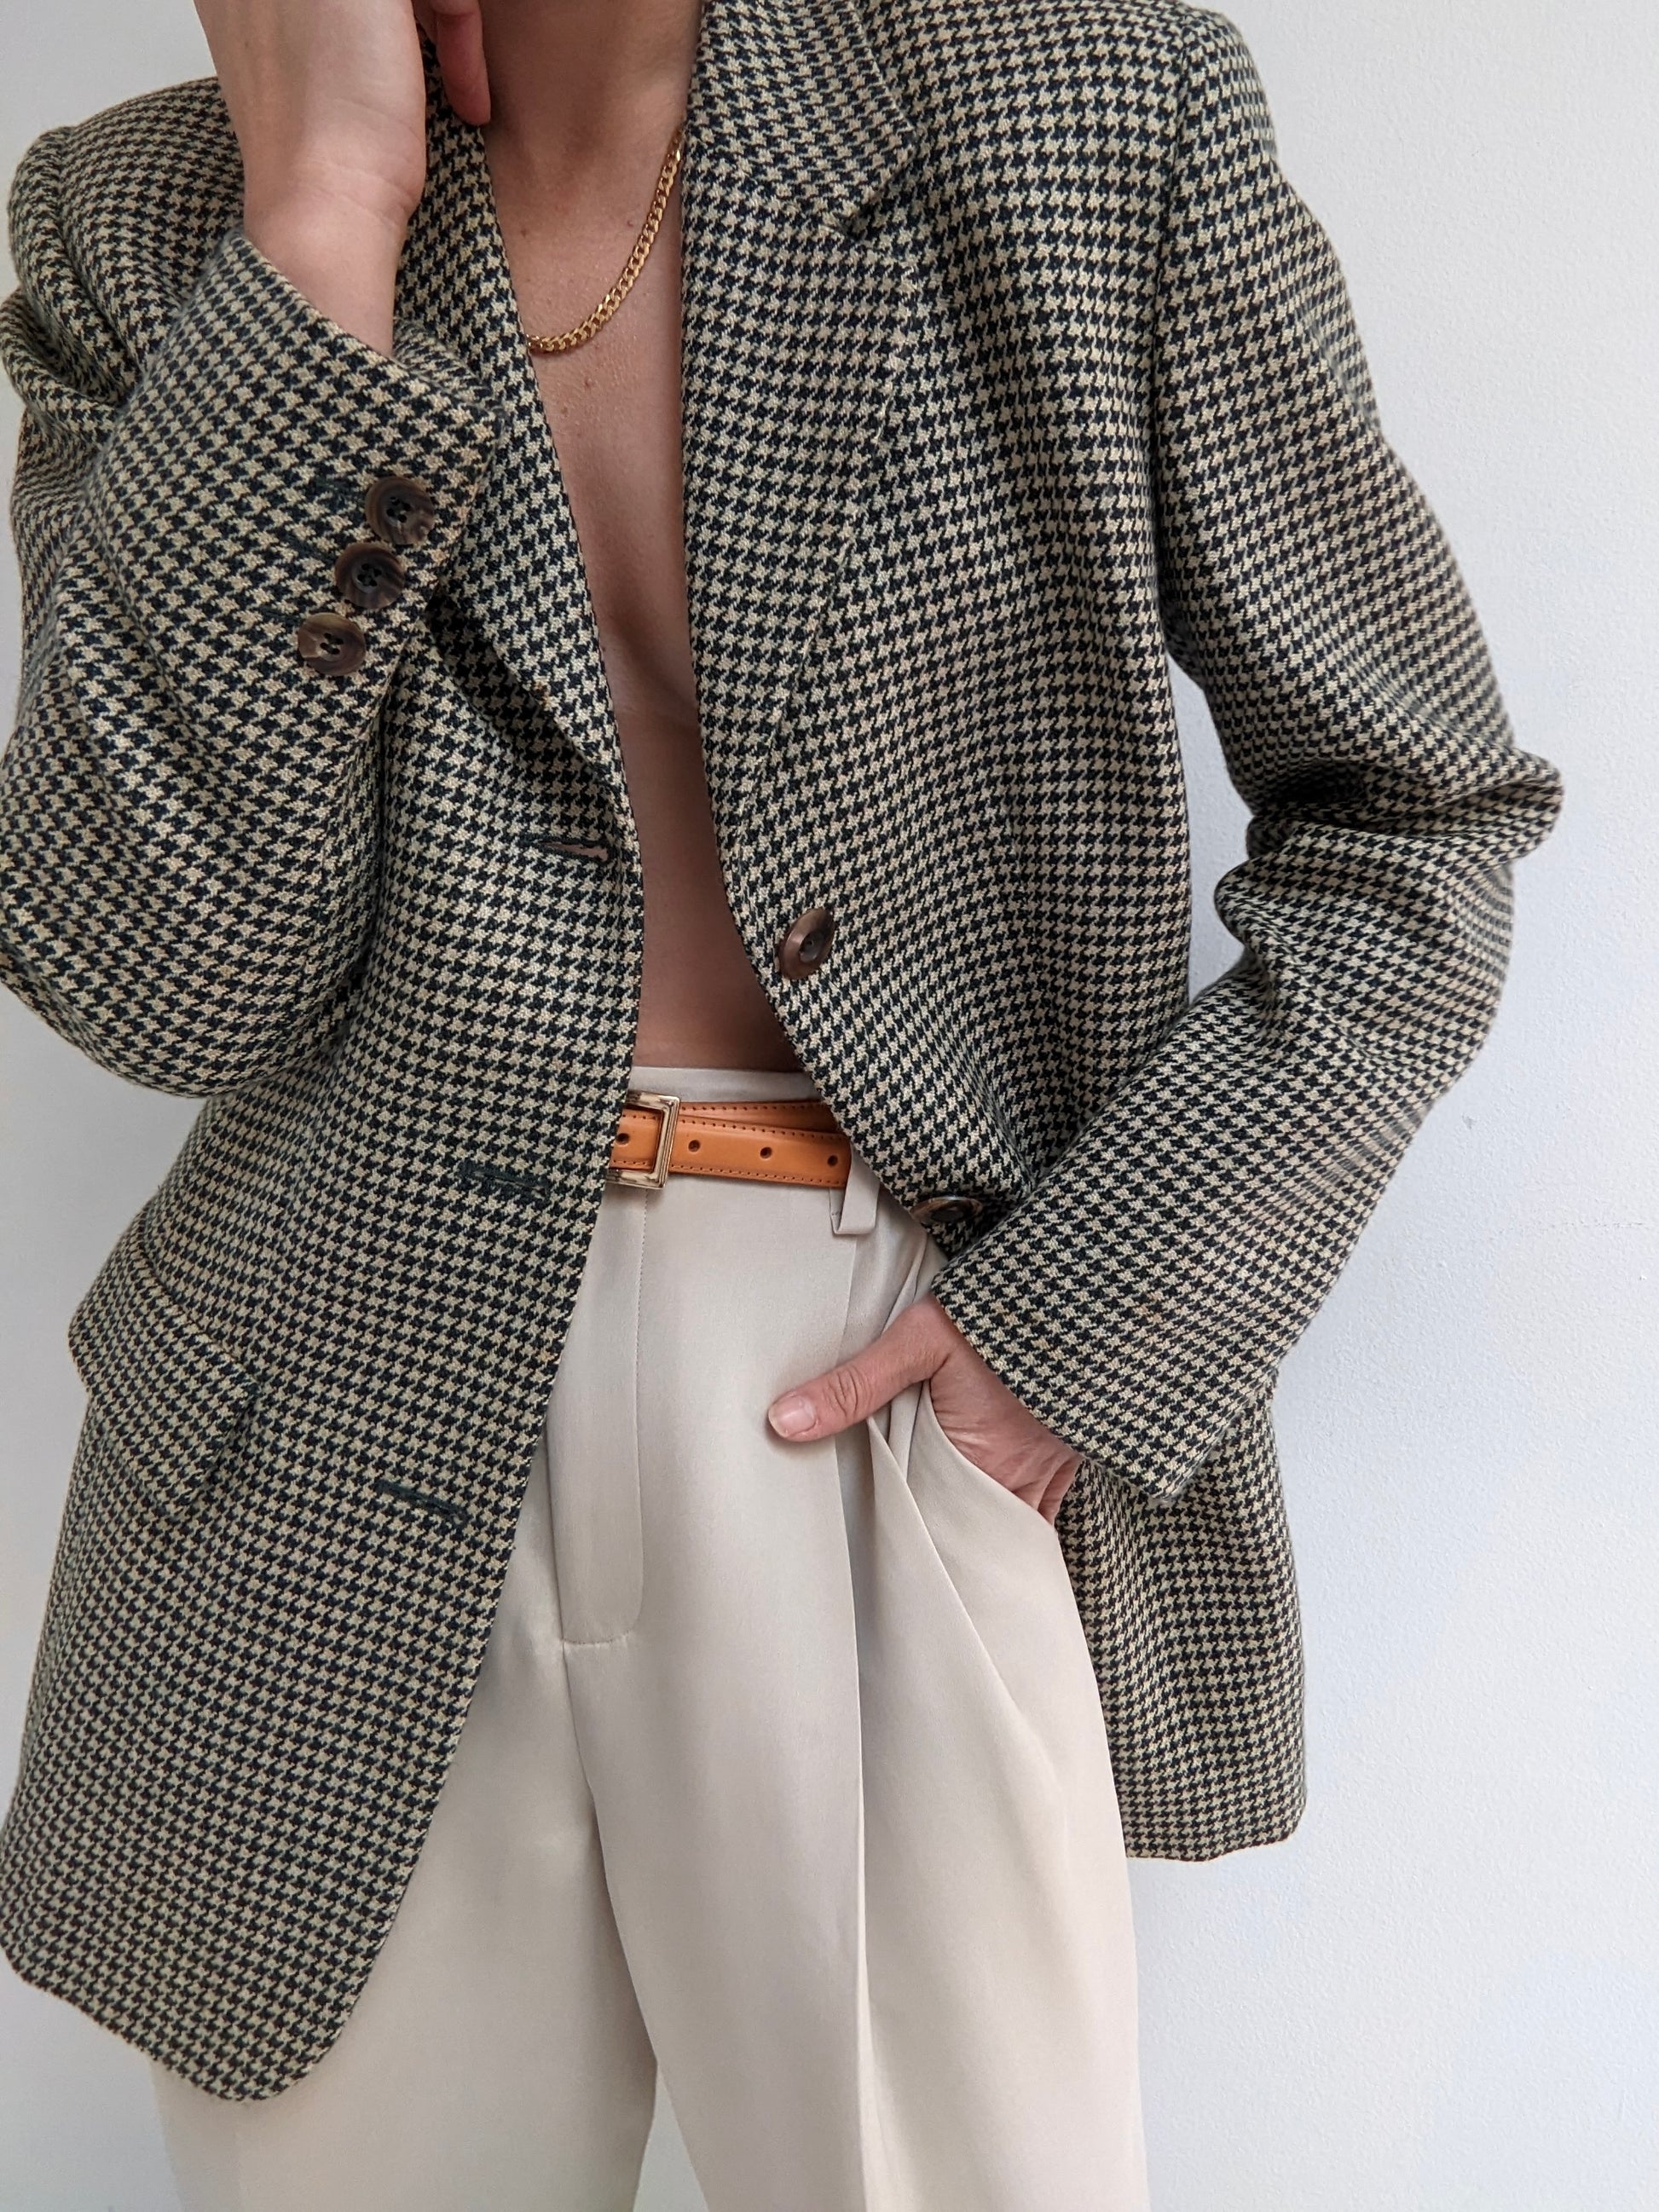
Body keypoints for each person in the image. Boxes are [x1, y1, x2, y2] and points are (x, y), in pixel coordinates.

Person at [0, 0, 1563, 2206]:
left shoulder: (1085, 115)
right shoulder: (147, 220)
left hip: (881, 1380)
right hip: (332, 1423)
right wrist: (322, 230)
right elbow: (158, 975)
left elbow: (1417, 820)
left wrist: (1074, 1337)